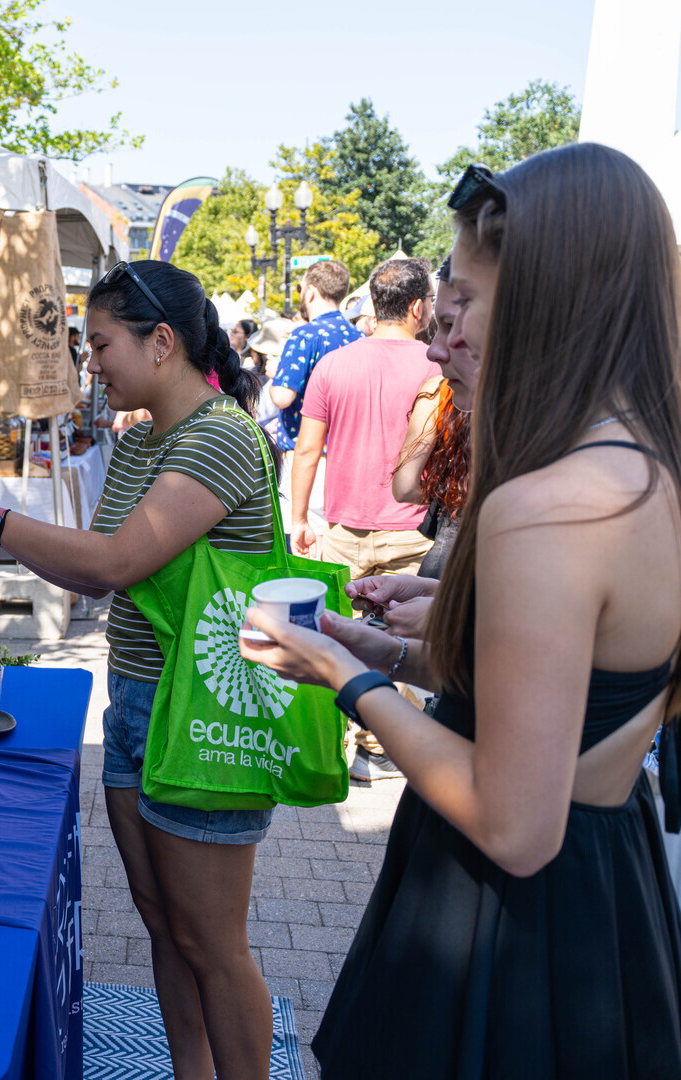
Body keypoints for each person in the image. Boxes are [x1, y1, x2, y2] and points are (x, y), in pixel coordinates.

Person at [243, 144, 681, 1079]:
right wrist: (397, 648)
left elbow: (514, 823)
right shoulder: (647, 471)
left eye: (464, 308)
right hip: (611, 899)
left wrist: (341, 674)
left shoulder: (550, 506)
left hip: (504, 929)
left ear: (550, 299)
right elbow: (575, 691)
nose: (439, 348)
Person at [0, 260, 278, 1080]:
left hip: (205, 715)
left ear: (162, 342)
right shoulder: (144, 438)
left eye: (102, 344)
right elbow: (93, 576)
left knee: (213, 944)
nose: (92, 364)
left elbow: (118, 560)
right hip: (137, 704)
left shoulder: (220, 436)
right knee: (167, 929)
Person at [289, 258, 439, 575]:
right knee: (410, 607)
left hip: (343, 532)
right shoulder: (436, 368)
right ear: (417, 307)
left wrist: (299, 519)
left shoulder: (331, 365)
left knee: (342, 608)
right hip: (413, 531)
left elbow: (307, 450)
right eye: (431, 299)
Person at [391, 257, 474, 582]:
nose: (433, 349)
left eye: (451, 325)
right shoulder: (442, 390)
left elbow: (404, 486)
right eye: (439, 327)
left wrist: (448, 493)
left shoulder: (438, 391)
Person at [267, 262, 360, 535]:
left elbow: (282, 397)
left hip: (308, 461)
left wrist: (276, 374)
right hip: (349, 459)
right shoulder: (358, 335)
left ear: (310, 292)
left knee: (301, 545)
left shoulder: (305, 335)